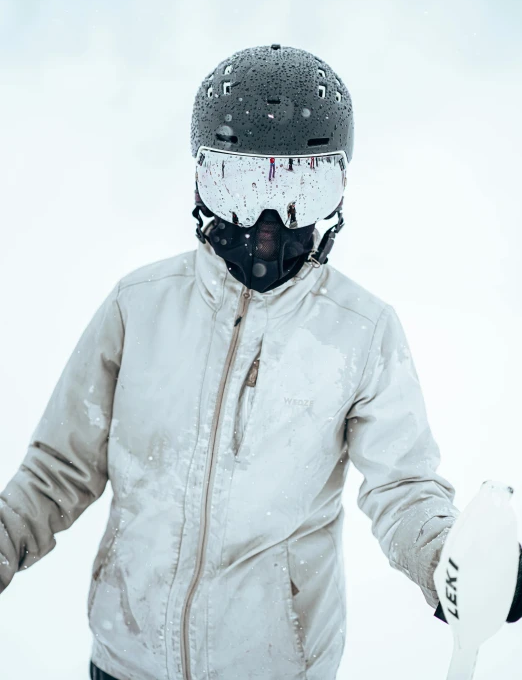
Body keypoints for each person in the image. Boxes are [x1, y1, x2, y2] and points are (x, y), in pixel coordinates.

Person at [0, 43, 521, 680]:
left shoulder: (359, 332)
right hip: (126, 659)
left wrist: (448, 561)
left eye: (301, 190)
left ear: (340, 187)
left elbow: (402, 486)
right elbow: (57, 470)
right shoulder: (140, 307)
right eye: (241, 186)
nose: (267, 224)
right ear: (200, 181)